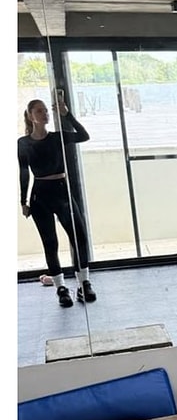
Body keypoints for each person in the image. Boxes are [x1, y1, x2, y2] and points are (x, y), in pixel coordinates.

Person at [18, 93, 96, 308]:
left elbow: (84, 136)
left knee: (79, 237)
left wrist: (66, 114)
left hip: (62, 191)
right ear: (31, 116)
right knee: (50, 242)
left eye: (46, 110)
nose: (45, 114)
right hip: (40, 195)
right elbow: (24, 172)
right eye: (39, 111)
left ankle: (84, 283)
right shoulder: (23, 143)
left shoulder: (57, 137)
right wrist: (23, 201)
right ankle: (61, 288)